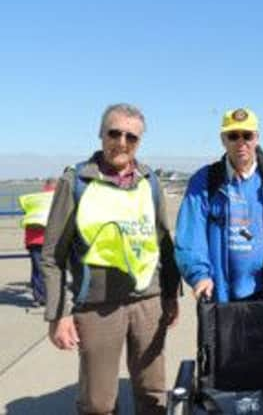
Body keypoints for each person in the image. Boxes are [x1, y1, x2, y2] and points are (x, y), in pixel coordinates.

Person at [41, 103, 180, 415]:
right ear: (101, 134)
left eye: (131, 137)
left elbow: (163, 243)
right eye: (114, 133)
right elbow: (51, 256)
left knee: (153, 394)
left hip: (148, 302)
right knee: (98, 403)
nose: (121, 142)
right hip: (97, 307)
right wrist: (58, 314)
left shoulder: (149, 181)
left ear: (139, 142)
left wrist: (171, 294)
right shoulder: (75, 182)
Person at [175, 107, 263, 303]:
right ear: (223, 140)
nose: (241, 142)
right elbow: (190, 235)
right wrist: (199, 276)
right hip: (217, 294)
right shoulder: (204, 180)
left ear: (257, 138)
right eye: (233, 136)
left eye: (247, 135)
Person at [19, 177, 56, 306]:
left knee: (37, 268)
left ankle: (38, 296)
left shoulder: (34, 199)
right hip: (50, 238)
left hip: (32, 239)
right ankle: (45, 296)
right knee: (50, 269)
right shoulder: (56, 199)